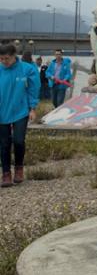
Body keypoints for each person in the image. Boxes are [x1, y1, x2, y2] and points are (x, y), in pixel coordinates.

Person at [0, 43, 40, 187]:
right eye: (1, 59)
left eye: (6, 59)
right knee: (4, 144)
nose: (4, 62)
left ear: (13, 56)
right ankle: (5, 174)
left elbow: (33, 89)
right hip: (2, 112)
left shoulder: (27, 69)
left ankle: (18, 168)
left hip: (21, 111)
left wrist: (32, 108)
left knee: (18, 140)